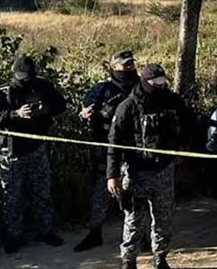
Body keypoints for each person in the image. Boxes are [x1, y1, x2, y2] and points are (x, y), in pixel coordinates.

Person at [107, 64, 196, 269]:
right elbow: (114, 142)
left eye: (163, 83)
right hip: (136, 171)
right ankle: (129, 261)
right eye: (156, 84)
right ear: (145, 82)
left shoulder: (171, 101)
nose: (160, 87)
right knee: (134, 220)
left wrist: (181, 146)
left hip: (164, 170)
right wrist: (112, 176)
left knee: (163, 218)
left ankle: (160, 258)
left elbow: (189, 121)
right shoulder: (128, 106)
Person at [0, 54, 68, 253]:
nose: (24, 81)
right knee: (12, 196)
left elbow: (61, 105)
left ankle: (46, 230)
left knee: (42, 191)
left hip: (37, 147)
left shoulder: (43, 87)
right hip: (12, 152)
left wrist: (45, 109)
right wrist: (16, 114)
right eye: (21, 77)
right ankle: (14, 235)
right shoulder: (3, 92)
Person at [74, 49, 140, 253]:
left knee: (136, 193)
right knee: (102, 192)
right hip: (106, 148)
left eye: (132, 64)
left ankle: (139, 235)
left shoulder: (142, 87)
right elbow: (84, 114)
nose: (130, 67)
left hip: (135, 149)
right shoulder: (102, 89)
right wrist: (85, 115)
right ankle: (95, 232)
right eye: (125, 64)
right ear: (114, 67)